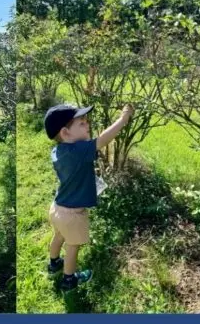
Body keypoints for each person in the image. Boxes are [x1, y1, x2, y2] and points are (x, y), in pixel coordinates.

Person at [44, 102, 134, 292]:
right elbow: (102, 140)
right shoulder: (78, 151)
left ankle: (53, 264)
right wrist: (123, 119)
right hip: (72, 215)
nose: (88, 125)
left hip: (57, 208)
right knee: (73, 246)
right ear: (65, 133)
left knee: (59, 235)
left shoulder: (59, 151)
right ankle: (69, 280)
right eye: (82, 123)